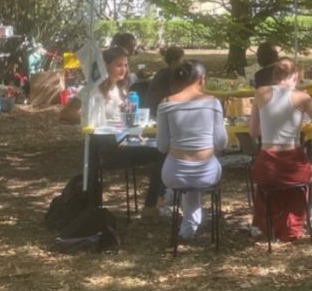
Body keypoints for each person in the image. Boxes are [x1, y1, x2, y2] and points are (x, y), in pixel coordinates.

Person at [250, 59, 312, 241]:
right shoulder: (302, 97)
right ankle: (290, 226)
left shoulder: (260, 93)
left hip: (266, 164)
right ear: (294, 76)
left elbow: (253, 132)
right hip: (291, 162)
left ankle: (266, 225)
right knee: (304, 174)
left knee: (270, 183)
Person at [82, 46, 164, 213]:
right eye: (119, 65)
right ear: (106, 66)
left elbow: (124, 120)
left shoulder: (121, 89)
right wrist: (100, 122)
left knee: (163, 147)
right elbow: (72, 116)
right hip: (106, 148)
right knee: (162, 152)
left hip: (124, 140)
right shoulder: (93, 91)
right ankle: (152, 205)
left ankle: (154, 202)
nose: (123, 70)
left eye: (126, 65)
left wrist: (135, 130)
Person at [156, 60, 226, 241]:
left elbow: (162, 146)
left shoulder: (165, 103)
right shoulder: (213, 103)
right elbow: (221, 143)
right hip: (207, 173)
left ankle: (183, 216)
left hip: (174, 174)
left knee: (184, 183)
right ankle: (189, 223)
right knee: (201, 172)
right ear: (202, 80)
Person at [143, 46, 185, 115]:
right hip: (158, 111)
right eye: (181, 60)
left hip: (154, 108)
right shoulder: (172, 74)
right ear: (174, 61)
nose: (182, 63)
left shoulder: (162, 72)